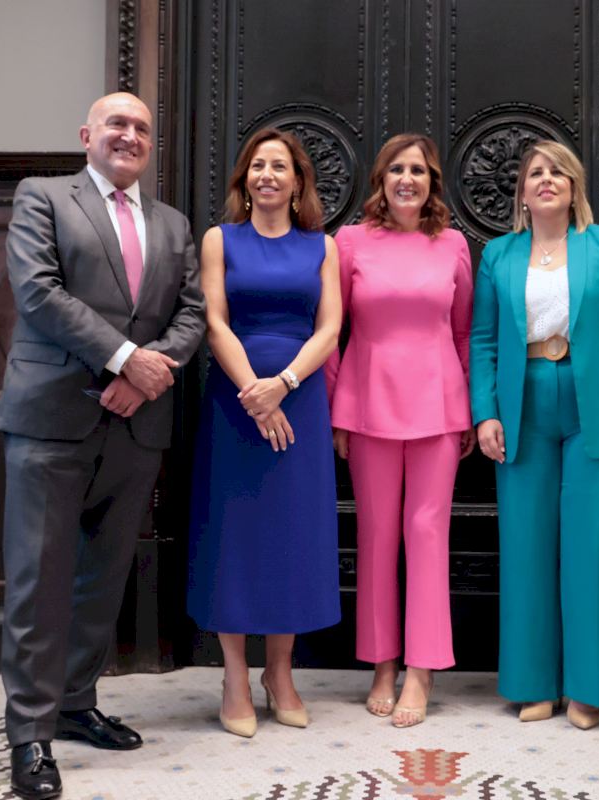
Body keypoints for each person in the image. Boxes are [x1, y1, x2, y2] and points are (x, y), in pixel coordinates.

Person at [0, 92, 205, 800]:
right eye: (117, 123)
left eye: (142, 127)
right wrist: (125, 359)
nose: (130, 135)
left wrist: (146, 376)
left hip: (135, 427)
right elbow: (38, 292)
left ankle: (76, 703)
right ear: (87, 134)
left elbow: (192, 313)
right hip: (51, 419)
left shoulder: (173, 225)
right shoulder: (43, 197)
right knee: (39, 582)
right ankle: (30, 733)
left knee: (102, 579)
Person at [470, 140, 599, 730]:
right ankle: (532, 684)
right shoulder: (498, 254)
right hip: (522, 405)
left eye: (557, 173)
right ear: (522, 191)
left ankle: (588, 689)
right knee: (526, 547)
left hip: (594, 402)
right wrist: (485, 413)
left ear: (574, 188)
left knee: (595, 548)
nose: (546, 180)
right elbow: (483, 339)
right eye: (535, 173)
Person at [186, 128, 342, 738]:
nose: (268, 175)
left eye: (280, 166)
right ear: (244, 180)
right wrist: (255, 391)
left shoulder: (322, 247)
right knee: (233, 532)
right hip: (234, 401)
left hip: (300, 402)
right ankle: (233, 676)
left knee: (290, 534)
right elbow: (214, 321)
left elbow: (330, 329)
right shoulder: (219, 239)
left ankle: (280, 672)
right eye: (258, 165)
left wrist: (284, 384)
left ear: (298, 182)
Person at [325, 133, 474, 728]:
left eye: (418, 170)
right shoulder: (350, 242)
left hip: (439, 406)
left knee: (427, 531)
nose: (407, 179)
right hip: (367, 404)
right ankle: (382, 662)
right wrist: (337, 410)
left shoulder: (453, 244)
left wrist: (469, 410)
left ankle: (422, 667)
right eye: (396, 170)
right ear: (381, 181)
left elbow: (463, 332)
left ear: (432, 182)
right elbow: (331, 329)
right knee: (377, 534)